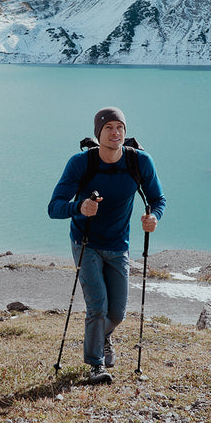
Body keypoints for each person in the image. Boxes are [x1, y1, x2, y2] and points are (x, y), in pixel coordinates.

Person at [48, 107, 165, 384]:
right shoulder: (81, 163)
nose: (115, 133)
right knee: (97, 306)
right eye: (109, 128)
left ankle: (101, 336)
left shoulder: (140, 162)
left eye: (120, 127)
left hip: (118, 245)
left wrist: (153, 218)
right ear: (98, 133)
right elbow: (54, 207)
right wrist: (80, 206)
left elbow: (158, 200)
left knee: (118, 313)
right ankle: (95, 364)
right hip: (85, 241)